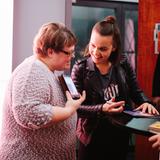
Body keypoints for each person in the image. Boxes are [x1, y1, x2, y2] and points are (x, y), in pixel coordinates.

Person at [71, 15, 159, 160]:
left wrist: (146, 103)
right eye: (93, 45)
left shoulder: (123, 64)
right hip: (91, 138)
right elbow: (76, 108)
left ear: (114, 47)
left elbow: (136, 92)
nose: (96, 52)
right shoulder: (80, 69)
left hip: (120, 134)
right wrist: (102, 108)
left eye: (103, 49)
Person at [0, 22, 86, 160]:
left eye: (72, 52)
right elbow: (28, 112)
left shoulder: (44, 70)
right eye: (67, 52)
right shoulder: (32, 71)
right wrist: (69, 110)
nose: (72, 56)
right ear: (50, 51)